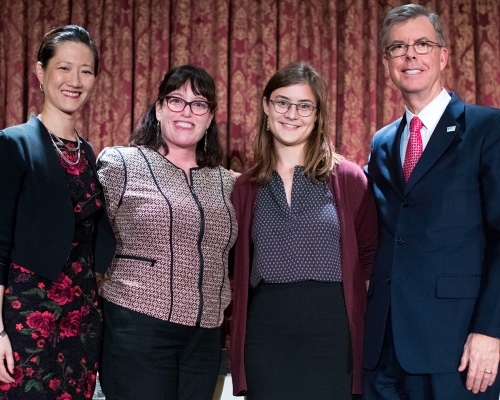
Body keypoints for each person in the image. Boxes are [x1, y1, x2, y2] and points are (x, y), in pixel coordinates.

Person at [363, 4, 500, 399]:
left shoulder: (486, 128)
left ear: (442, 56)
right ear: (387, 62)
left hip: (456, 348)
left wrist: (490, 330)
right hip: (383, 348)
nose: (410, 55)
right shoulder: (382, 142)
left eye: (422, 44)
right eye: (398, 47)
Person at [230, 61, 378, 399]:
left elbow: (369, 257)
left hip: (333, 334)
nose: (291, 114)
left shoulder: (349, 178)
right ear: (267, 107)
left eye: (304, 105)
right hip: (267, 333)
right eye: (282, 102)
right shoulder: (245, 186)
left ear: (317, 114)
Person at [96, 64, 238, 400]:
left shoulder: (229, 183)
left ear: (210, 117)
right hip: (137, 328)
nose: (187, 111)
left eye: (199, 103)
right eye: (176, 100)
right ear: (158, 108)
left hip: (205, 337)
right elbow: (82, 240)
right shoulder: (120, 164)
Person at [0, 25, 116, 399]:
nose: (75, 80)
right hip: (27, 318)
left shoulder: (90, 154)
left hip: (82, 320)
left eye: (85, 70)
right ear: (40, 72)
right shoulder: (13, 144)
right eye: (64, 68)